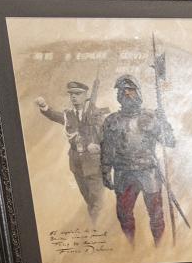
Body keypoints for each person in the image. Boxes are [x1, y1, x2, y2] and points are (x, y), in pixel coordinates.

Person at [98, 75, 175, 244]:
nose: (126, 94)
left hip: (148, 172)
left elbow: (169, 142)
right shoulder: (112, 120)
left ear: (138, 93)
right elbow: (107, 148)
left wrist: (164, 122)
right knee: (124, 215)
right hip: (123, 173)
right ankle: (130, 249)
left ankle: (159, 249)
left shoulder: (150, 117)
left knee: (156, 216)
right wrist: (105, 171)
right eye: (122, 91)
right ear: (118, 95)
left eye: (130, 90)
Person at [35, 80, 106, 219]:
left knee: (98, 201)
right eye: (72, 94)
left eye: (78, 94)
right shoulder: (68, 115)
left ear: (86, 95)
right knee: (88, 200)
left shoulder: (96, 114)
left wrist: (96, 146)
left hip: (93, 164)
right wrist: (44, 107)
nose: (74, 97)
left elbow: (104, 134)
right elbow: (54, 115)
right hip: (76, 163)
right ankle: (94, 224)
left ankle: (98, 228)